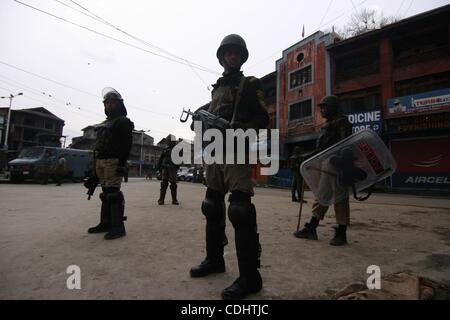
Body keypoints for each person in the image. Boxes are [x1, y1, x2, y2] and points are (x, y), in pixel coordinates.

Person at [189, 34, 269, 300]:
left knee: (239, 210)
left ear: (242, 57)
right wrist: (200, 121)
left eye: (237, 53)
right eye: (229, 53)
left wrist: (238, 129)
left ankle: (250, 278)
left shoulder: (249, 84)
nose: (232, 56)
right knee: (211, 206)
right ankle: (215, 260)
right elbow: (208, 118)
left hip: (236, 150)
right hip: (215, 152)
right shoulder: (217, 89)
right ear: (222, 56)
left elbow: (262, 119)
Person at [294, 95, 353, 246]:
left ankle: (341, 233)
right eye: (321, 107)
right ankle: (312, 228)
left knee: (340, 198)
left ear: (333, 108)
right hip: (326, 162)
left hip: (337, 164)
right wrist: (306, 156)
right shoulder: (328, 125)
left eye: (325, 107)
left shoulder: (342, 123)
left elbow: (345, 145)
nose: (322, 110)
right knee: (322, 196)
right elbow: (321, 149)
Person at [87, 87, 134, 240]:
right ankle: (105, 223)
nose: (109, 105)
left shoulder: (123, 122)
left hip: (113, 161)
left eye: (112, 103)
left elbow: (126, 145)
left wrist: (121, 164)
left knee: (113, 194)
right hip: (100, 161)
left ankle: (118, 227)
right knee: (105, 193)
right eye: (106, 103)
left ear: (119, 104)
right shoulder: (105, 123)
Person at [157, 138, 179, 205]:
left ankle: (174, 200)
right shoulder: (165, 150)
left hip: (172, 168)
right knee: (164, 184)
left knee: (173, 185)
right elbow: (161, 159)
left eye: (172, 141)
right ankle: (161, 200)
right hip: (165, 168)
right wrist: (159, 167)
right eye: (170, 141)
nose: (171, 143)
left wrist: (177, 167)